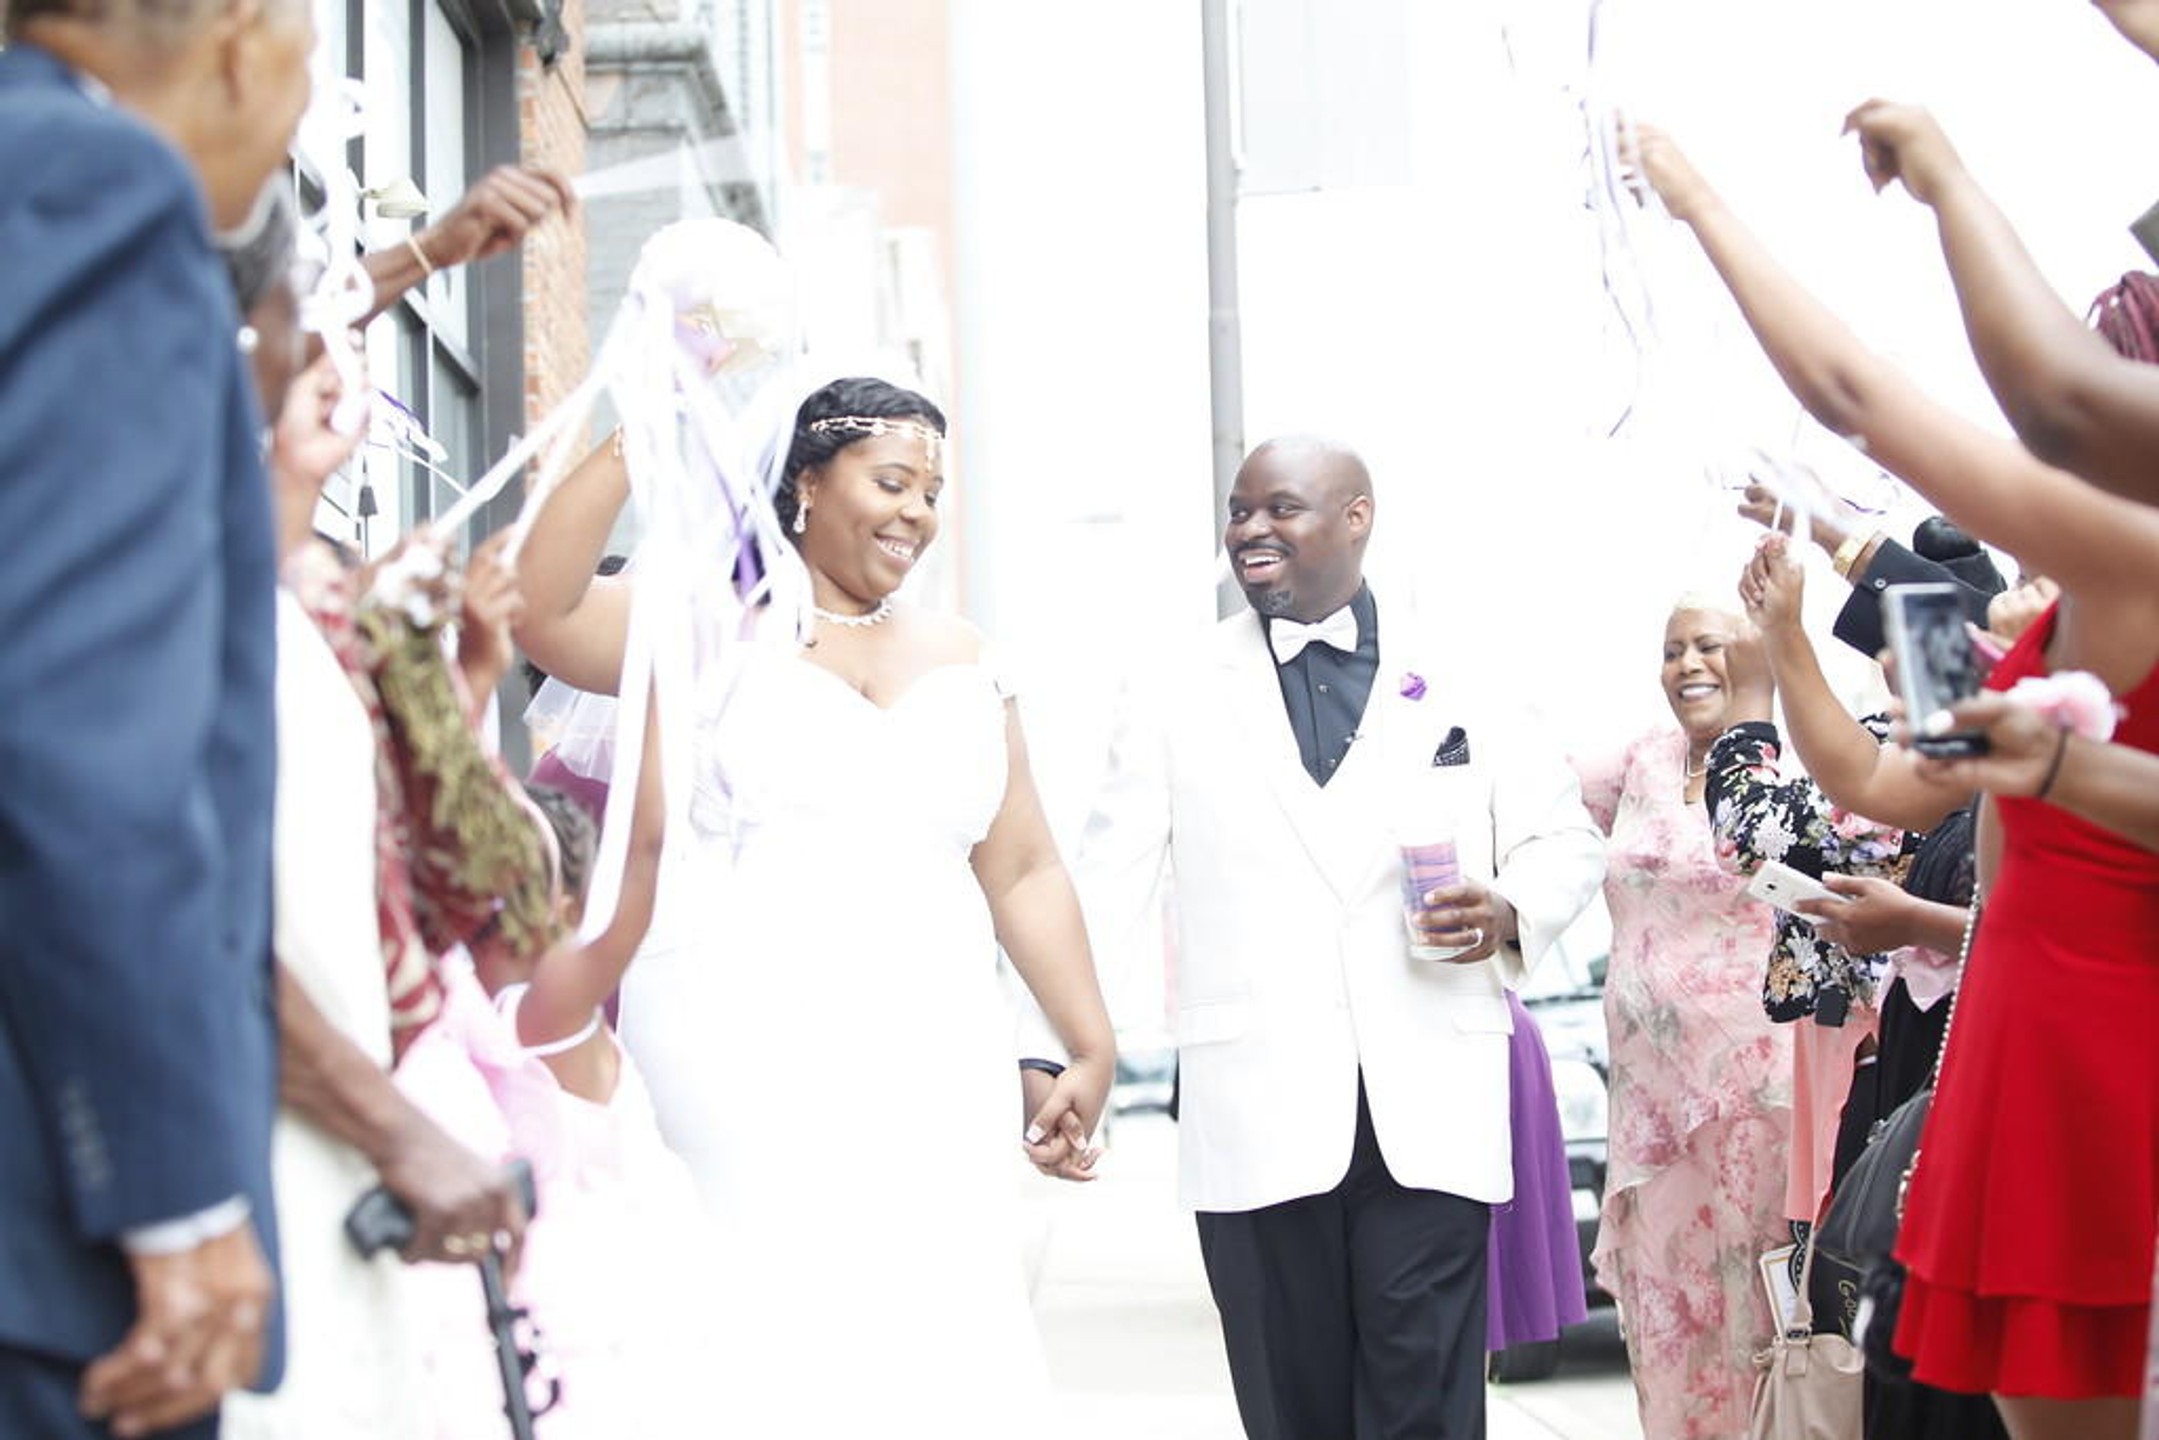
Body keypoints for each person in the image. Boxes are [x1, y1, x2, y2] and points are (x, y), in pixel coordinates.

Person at [1632, 119, 2159, 1440]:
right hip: (2016, 1046)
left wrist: (1703, 198)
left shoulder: (2125, 563)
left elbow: (1857, 393)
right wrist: (1783, 643)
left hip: (2096, 1049)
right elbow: (1881, 774)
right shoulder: (2074, 602)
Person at [513, 373, 1117, 1434]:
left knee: (934, 1330)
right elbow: (540, 607)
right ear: (805, 483)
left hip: (933, 1051)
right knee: (766, 1324)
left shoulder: (967, 658)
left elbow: (1023, 866)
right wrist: (642, 431)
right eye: (891, 482)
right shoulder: (699, 630)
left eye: (931, 493)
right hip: (736, 1043)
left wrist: (1087, 1041)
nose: (915, 513)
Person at [1073, 435, 1605, 1439]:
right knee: (1293, 1410)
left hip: (1431, 1100)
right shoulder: (1174, 684)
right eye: (1238, 511)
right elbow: (1105, 884)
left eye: (1279, 508)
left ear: (1356, 517)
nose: (1250, 530)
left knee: (1426, 1406)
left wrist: (1506, 909)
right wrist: (1058, 1048)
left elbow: (1565, 841)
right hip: (1255, 1108)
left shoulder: (1465, 670)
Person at [0, 0, 315, 1431]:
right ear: (242, 37)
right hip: (47, 1232)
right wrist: (174, 1192)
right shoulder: (103, 192)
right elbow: (82, 738)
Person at [1572, 598, 1792, 1440]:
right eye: (1673, 651)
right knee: (1667, 1314)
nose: (1688, 665)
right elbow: (1521, 791)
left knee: (1761, 1311)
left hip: (1760, 1097)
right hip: (1651, 1112)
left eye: (1710, 646)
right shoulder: (1636, 764)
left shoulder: (1789, 757)